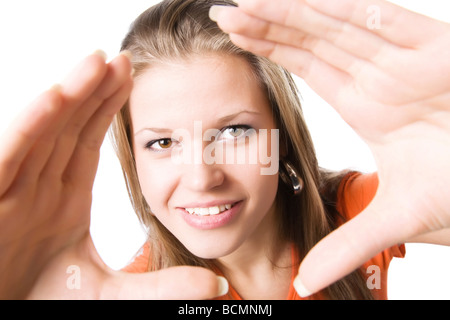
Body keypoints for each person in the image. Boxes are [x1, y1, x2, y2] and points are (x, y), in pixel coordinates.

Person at [0, 0, 448, 300]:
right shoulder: (132, 291)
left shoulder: (353, 213)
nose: (201, 178)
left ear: (282, 137)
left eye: (234, 132)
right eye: (161, 142)